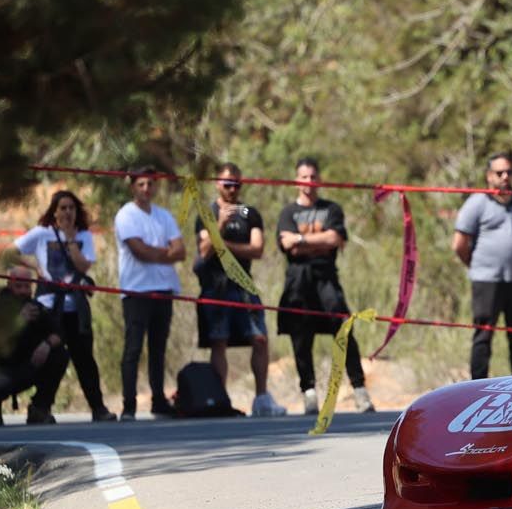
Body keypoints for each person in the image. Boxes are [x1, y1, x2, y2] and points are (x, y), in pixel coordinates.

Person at [276, 157, 374, 414]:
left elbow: (335, 239)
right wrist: (314, 242)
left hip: (327, 279)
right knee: (300, 336)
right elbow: (286, 245)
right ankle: (308, 392)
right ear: (297, 180)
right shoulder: (288, 212)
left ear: (319, 180)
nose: (309, 182)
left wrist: (301, 239)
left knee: (343, 328)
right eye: (304, 177)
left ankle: (359, 389)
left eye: (312, 177)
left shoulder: (332, 209)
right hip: (298, 281)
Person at [13, 189, 113, 422]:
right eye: (63, 208)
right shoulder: (41, 234)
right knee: (53, 355)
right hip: (48, 307)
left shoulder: (84, 236)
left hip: (75, 307)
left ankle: (98, 408)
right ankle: (40, 407)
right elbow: (10, 252)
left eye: (72, 208)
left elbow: (83, 267)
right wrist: (34, 268)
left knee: (85, 358)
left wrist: (70, 240)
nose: (68, 212)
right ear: (54, 212)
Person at [194, 162, 285, 417]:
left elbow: (257, 249)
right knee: (218, 341)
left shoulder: (250, 213)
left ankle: (261, 398)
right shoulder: (207, 214)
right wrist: (219, 226)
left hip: (244, 285)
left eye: (236, 184)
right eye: (227, 184)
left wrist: (224, 245)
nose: (232, 189)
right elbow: (203, 251)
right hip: (216, 286)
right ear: (217, 184)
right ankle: (221, 398)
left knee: (260, 338)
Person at [452, 151, 512, 379]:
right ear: (489, 176)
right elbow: (459, 244)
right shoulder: (477, 202)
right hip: (486, 280)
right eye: (499, 172)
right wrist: (476, 264)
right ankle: (476, 388)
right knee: (483, 336)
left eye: (509, 172)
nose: (505, 177)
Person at [113, 162, 185, 419]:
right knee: (133, 349)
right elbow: (139, 251)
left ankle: (158, 400)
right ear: (133, 186)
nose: (146, 188)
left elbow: (181, 251)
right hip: (136, 291)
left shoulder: (164, 215)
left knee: (158, 348)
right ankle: (129, 405)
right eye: (141, 184)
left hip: (163, 289)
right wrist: (166, 253)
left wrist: (160, 254)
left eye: (150, 183)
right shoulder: (125, 215)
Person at [0, 265, 69, 427]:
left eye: (27, 286)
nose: (24, 291)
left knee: (59, 354)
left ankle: (40, 408)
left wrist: (46, 344)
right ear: (9, 286)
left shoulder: (36, 308)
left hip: (27, 366)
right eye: (19, 286)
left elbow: (60, 333)